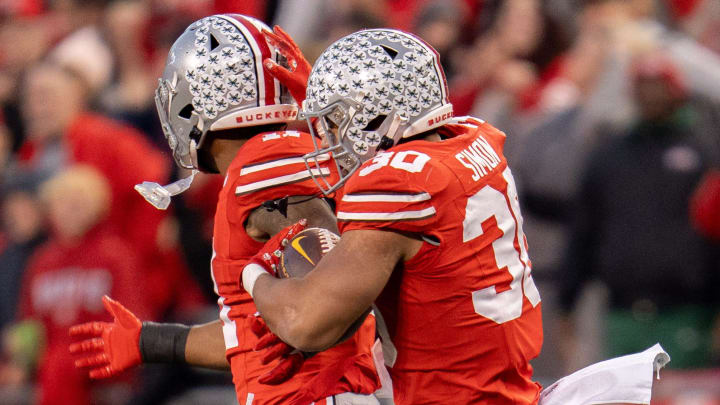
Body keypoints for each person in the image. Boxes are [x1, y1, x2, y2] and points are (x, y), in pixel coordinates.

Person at [69, 15, 383, 405]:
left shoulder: (264, 169)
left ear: (194, 102)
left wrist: (305, 325)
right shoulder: (272, 161)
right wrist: (151, 341)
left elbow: (324, 302)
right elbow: (252, 335)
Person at [243, 28, 543, 404]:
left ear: (373, 117)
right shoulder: (472, 138)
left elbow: (305, 324)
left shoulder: (397, 182)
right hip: (504, 385)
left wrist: (253, 276)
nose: (327, 140)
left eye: (335, 123)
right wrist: (327, 100)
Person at [13, 165, 149, 405]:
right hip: (54, 366)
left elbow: (133, 319)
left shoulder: (115, 255)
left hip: (103, 361)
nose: (69, 211)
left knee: (61, 364)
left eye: (78, 204)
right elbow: (30, 323)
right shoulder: (42, 261)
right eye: (62, 203)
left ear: (97, 208)